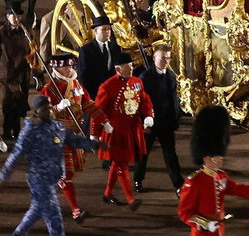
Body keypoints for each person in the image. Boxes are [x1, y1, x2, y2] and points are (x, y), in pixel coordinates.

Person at [0, 95, 106, 236]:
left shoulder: (57, 127)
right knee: (55, 220)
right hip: (39, 181)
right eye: (44, 109)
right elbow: (16, 155)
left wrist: (95, 144)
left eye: (49, 107)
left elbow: (73, 140)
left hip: (55, 179)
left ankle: (18, 233)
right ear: (35, 111)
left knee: (36, 210)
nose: (48, 111)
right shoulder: (30, 132)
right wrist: (3, 177)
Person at [178, 105, 249, 235]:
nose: (221, 159)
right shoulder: (194, 181)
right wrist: (203, 223)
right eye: (217, 156)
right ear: (207, 158)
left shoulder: (221, 176)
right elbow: (184, 212)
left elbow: (239, 189)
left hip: (219, 230)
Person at [40, 53, 112, 223]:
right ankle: (75, 210)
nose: (70, 69)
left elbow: (87, 104)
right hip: (57, 136)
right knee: (67, 174)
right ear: (56, 68)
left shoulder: (76, 84)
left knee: (65, 174)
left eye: (71, 66)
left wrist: (103, 120)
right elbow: (42, 115)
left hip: (74, 133)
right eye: (66, 66)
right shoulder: (49, 88)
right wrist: (57, 108)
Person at [92, 53, 153, 210]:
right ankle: (131, 199)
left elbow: (145, 100)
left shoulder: (137, 82)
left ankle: (107, 194)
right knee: (121, 164)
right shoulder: (106, 86)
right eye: (128, 66)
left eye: (132, 65)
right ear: (118, 68)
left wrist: (148, 116)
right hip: (115, 130)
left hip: (132, 128)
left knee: (118, 162)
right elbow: (97, 111)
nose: (132, 68)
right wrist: (95, 133)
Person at [134, 44, 183, 194]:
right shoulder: (145, 77)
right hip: (150, 122)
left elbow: (174, 100)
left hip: (166, 122)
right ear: (154, 58)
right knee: (143, 154)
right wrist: (144, 123)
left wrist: (175, 119)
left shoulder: (171, 76)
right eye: (162, 58)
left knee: (170, 154)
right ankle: (137, 180)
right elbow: (140, 102)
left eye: (168, 58)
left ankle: (178, 184)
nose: (165, 62)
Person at [0, 4, 32, 140]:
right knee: (7, 104)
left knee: (18, 104)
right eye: (13, 16)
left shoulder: (26, 31)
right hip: (5, 75)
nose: (16, 18)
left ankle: (16, 132)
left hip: (22, 74)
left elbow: (34, 52)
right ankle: (7, 131)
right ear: (7, 17)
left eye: (19, 16)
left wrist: (37, 72)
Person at [77, 15, 122, 103]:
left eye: (109, 29)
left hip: (113, 95)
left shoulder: (116, 48)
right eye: (104, 29)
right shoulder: (86, 50)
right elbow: (82, 76)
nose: (107, 32)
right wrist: (88, 98)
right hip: (95, 95)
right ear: (96, 31)